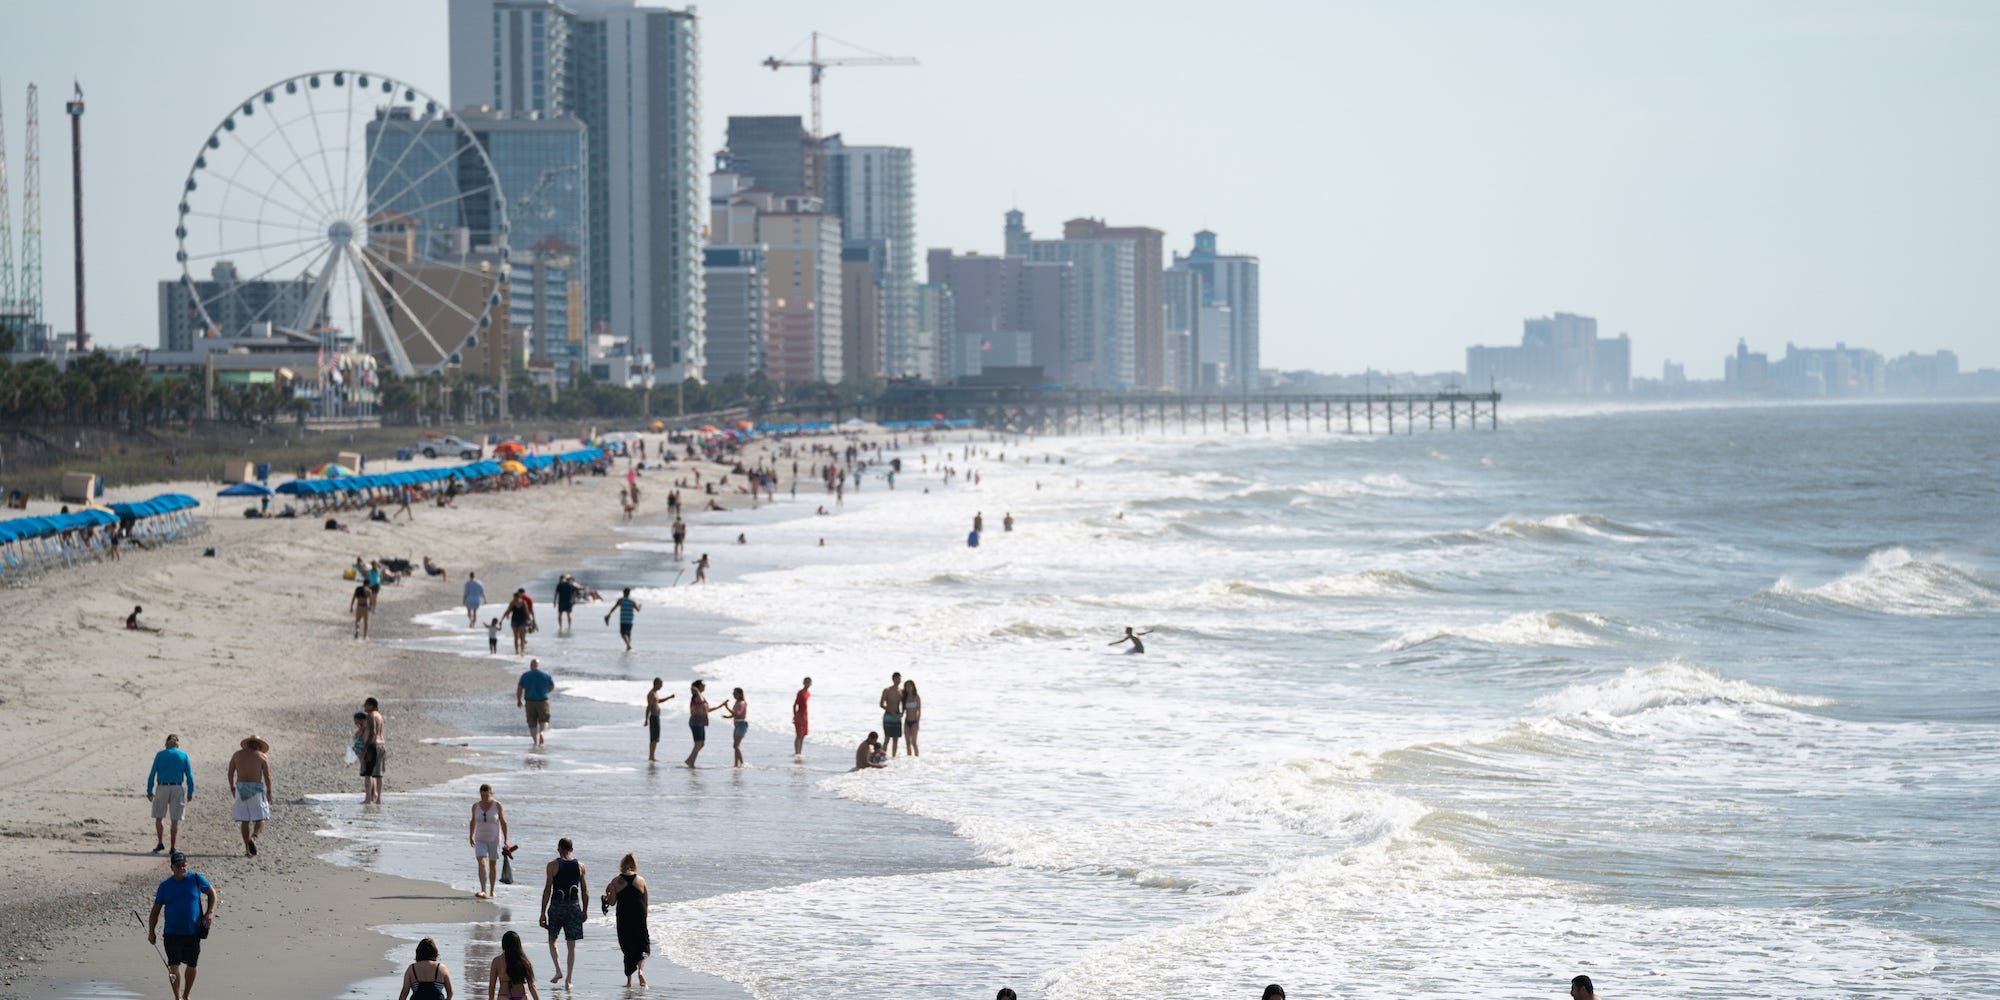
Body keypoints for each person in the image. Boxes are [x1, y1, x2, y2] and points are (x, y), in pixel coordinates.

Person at [148, 851, 217, 1000]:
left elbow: (212, 893)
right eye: (178, 865)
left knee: (192, 965)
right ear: (172, 867)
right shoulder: (165, 886)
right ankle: (177, 997)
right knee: (173, 966)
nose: (182, 868)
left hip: (193, 931)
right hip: (172, 933)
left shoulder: (196, 879)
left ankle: (186, 994)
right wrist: (151, 932)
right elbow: (155, 912)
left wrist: (209, 912)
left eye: (184, 865)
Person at [538, 838, 588, 988]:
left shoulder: (552, 865)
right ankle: (569, 980)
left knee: (552, 940)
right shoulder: (580, 866)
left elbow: (547, 890)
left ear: (559, 849)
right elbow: (585, 891)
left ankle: (558, 971)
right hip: (573, 906)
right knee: (571, 945)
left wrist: (542, 913)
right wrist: (584, 911)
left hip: (557, 906)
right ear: (571, 849)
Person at [601, 853, 651, 988]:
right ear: (635, 865)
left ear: (621, 865)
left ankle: (629, 981)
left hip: (624, 916)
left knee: (627, 946)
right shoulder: (641, 880)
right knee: (642, 944)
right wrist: (644, 918)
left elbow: (611, 903)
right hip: (639, 915)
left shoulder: (616, 881)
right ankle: (640, 972)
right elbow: (646, 903)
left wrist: (608, 895)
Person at [146, 734, 193, 854]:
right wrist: (190, 792)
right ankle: (173, 847)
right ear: (177, 744)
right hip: (177, 787)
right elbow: (189, 776)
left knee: (159, 817)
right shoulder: (183, 755)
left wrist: (149, 791)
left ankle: (160, 842)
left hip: (162, 787)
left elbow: (152, 774)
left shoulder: (160, 755)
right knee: (175, 819)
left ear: (166, 744)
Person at [226, 735, 272, 857]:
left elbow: (230, 773)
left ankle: (247, 849)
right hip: (255, 788)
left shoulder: (237, 755)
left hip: (241, 788)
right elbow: (267, 776)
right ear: (258, 745)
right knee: (261, 818)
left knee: (245, 820)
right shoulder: (262, 756)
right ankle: (254, 837)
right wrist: (269, 791)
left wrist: (232, 787)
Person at [469, 784, 510, 899]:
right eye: (482, 795)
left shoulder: (497, 805)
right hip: (480, 838)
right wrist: (470, 836)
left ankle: (492, 890)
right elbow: (473, 821)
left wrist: (506, 840)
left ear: (491, 794)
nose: (484, 798)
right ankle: (483, 890)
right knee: (481, 862)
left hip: (494, 839)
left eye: (486, 795)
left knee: (493, 865)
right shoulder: (475, 806)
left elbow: (503, 822)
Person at [489, 929, 541, 1000]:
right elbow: (531, 986)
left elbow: (492, 985)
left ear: (503, 944)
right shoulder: (524, 961)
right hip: (522, 995)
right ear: (518, 944)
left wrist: (491, 998)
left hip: (504, 996)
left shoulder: (497, 961)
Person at [518, 659, 555, 748]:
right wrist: (546, 691)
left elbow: (520, 688)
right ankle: (542, 733)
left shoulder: (525, 675)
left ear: (531, 665)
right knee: (544, 720)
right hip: (543, 700)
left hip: (530, 701)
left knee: (532, 722)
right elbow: (552, 686)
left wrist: (519, 700)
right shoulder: (546, 674)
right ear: (538, 665)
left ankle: (535, 741)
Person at [361, 697, 387, 804]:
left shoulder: (371, 716)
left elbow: (373, 732)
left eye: (366, 705)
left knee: (368, 773)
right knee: (379, 774)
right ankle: (379, 799)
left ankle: (368, 799)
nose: (364, 707)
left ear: (371, 706)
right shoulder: (380, 716)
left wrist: (365, 748)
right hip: (382, 745)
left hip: (373, 745)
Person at [643, 678, 674, 763]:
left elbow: (659, 701)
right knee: (654, 738)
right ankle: (651, 756)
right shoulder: (651, 694)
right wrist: (646, 719)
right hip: (653, 717)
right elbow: (648, 707)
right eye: (660, 684)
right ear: (656, 684)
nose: (661, 686)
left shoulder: (655, 694)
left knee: (655, 738)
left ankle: (652, 756)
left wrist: (669, 697)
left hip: (656, 717)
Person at [719, 687, 750, 767]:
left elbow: (738, 713)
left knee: (736, 745)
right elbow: (735, 714)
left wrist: (726, 707)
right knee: (735, 746)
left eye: (735, 693)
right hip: (737, 724)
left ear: (740, 694)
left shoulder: (742, 703)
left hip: (741, 724)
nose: (733, 695)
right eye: (733, 693)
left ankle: (742, 763)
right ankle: (736, 764)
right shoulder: (737, 702)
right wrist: (728, 717)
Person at [684, 680, 711, 767]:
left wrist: (720, 706)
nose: (705, 686)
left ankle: (689, 760)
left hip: (701, 722)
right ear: (698, 687)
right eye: (703, 685)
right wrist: (696, 690)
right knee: (698, 743)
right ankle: (691, 762)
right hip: (696, 722)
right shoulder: (697, 696)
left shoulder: (701, 696)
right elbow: (701, 701)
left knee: (701, 743)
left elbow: (706, 709)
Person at [879, 671, 905, 757]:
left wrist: (902, 713)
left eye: (899, 678)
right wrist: (890, 711)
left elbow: (904, 704)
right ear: (893, 679)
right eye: (896, 678)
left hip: (897, 717)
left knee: (896, 739)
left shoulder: (901, 691)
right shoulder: (887, 690)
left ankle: (893, 757)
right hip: (888, 716)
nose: (898, 680)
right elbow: (881, 704)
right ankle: (882, 756)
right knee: (887, 738)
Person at [505, 589, 536, 655]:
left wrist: (530, 621)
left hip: (522, 621)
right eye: (514, 598)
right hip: (514, 621)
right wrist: (506, 616)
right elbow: (508, 610)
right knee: (516, 637)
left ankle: (522, 651)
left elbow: (527, 612)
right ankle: (516, 651)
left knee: (522, 637)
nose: (515, 599)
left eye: (516, 598)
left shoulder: (524, 602)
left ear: (519, 597)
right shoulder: (512, 602)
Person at [791, 677, 812, 758]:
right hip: (799, 715)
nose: (807, 684)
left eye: (809, 683)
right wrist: (795, 715)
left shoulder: (808, 693)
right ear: (804, 683)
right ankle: (796, 752)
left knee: (803, 735)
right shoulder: (801, 692)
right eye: (806, 682)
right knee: (798, 734)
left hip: (805, 716)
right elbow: (795, 704)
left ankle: (800, 752)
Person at [902, 680, 922, 758]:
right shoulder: (905, 698)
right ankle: (909, 758)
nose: (909, 688)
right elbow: (903, 710)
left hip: (914, 722)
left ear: (913, 687)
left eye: (910, 686)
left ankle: (917, 758)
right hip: (907, 721)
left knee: (914, 742)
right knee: (907, 742)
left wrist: (917, 721)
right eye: (907, 686)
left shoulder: (916, 697)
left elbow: (919, 710)